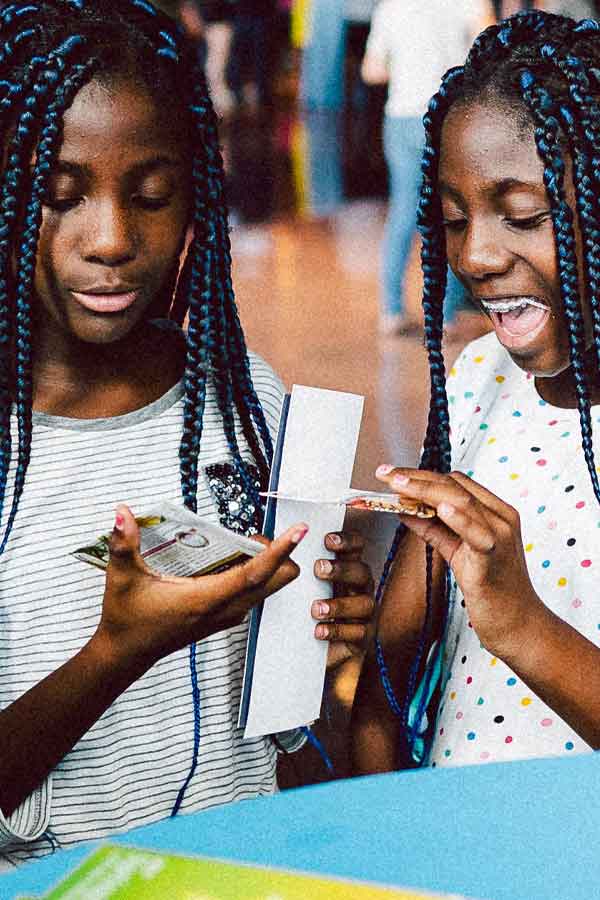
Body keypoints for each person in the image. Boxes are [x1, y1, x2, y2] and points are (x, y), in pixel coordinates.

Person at [0, 0, 375, 867]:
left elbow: (297, 743)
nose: (113, 240)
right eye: (61, 197)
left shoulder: (247, 403)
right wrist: (115, 652)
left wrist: (326, 645)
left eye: (153, 196)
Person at [352, 10, 600, 773]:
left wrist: (522, 623)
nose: (478, 255)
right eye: (454, 220)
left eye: (524, 216)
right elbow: (387, 681)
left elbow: (510, 620)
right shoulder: (478, 377)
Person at [361, 0, 494, 337]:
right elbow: (489, 47)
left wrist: (408, 64)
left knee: (403, 212)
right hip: (445, 115)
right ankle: (445, 317)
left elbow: (372, 71)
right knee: (446, 215)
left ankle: (390, 311)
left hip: (401, 117)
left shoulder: (390, 7)